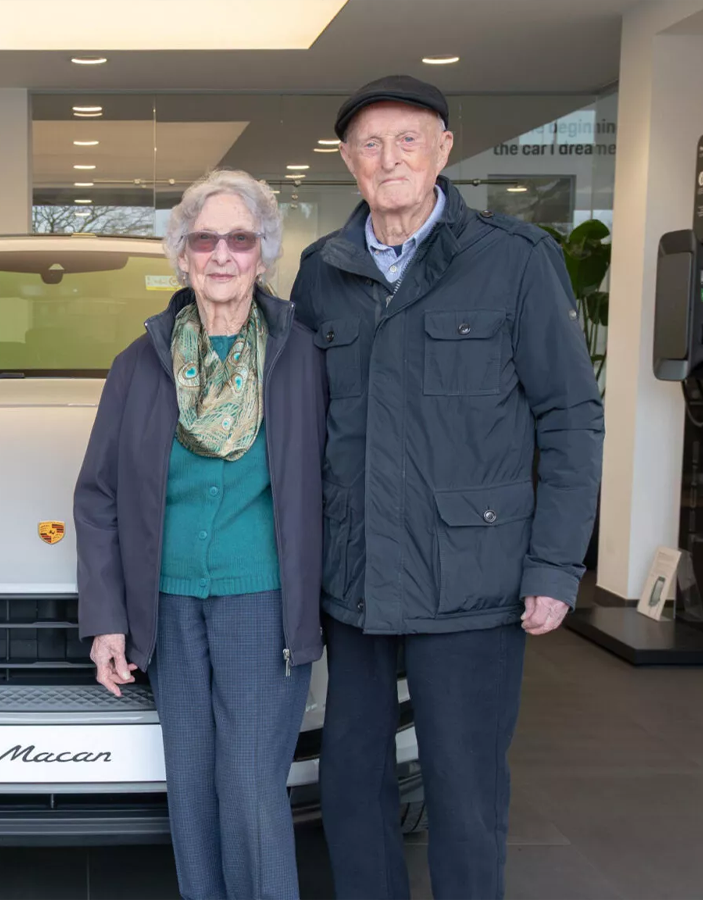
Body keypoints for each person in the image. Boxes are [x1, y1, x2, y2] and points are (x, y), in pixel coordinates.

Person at [290, 74, 604, 899]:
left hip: (471, 578)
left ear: (443, 150)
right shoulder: (322, 271)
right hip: (354, 580)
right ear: (347, 161)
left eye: (406, 140)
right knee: (352, 786)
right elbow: (301, 430)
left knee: (464, 796)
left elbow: (570, 418)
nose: (387, 158)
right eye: (368, 144)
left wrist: (554, 567)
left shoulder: (514, 261)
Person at [75, 168, 326, 900]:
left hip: (264, 603)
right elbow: (97, 496)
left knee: (249, 788)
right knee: (189, 788)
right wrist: (107, 620)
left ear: (263, 255)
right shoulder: (138, 366)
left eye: (239, 239)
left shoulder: (302, 358)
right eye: (205, 239)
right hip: (168, 607)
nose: (222, 254)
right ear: (182, 255)